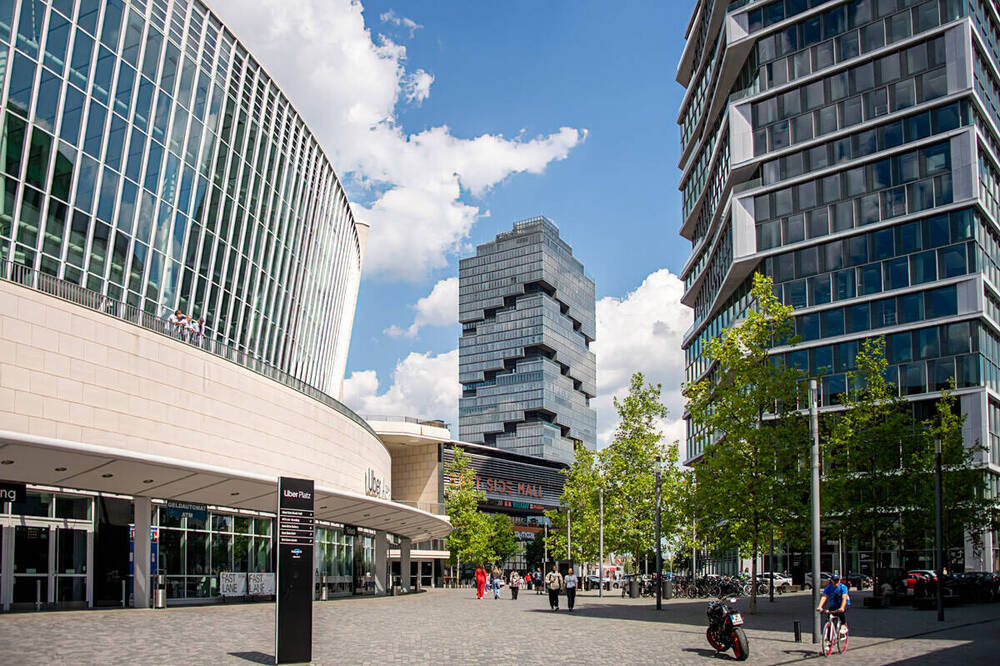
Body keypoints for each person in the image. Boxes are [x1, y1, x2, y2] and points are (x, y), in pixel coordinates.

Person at [817, 573, 850, 639]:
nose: (836, 583)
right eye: (834, 581)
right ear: (831, 581)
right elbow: (824, 597)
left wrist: (842, 607)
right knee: (829, 617)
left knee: (840, 613)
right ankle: (828, 638)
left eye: (837, 581)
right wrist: (820, 606)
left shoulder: (843, 587)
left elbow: (844, 598)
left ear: (839, 581)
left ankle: (843, 625)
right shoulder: (828, 588)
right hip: (834, 604)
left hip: (843, 603)